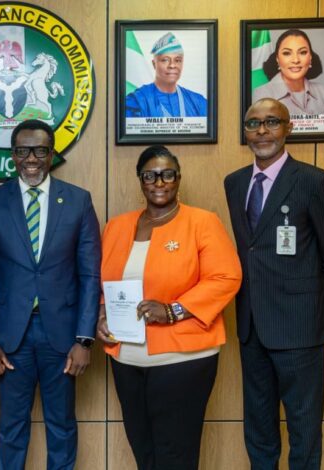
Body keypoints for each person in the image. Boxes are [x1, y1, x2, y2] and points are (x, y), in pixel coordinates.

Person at [224, 98, 324, 469]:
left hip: (299, 330)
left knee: (304, 431)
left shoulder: (313, 182)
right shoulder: (234, 183)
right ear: (245, 131)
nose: (262, 131)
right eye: (253, 124)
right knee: (258, 430)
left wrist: (310, 306)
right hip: (252, 328)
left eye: (272, 122)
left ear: (288, 128)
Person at [97, 145, 241, 470]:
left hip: (182, 360)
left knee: (175, 456)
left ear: (178, 178)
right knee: (143, 452)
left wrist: (174, 310)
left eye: (167, 174)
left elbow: (226, 277)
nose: (159, 182)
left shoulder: (202, 222)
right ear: (140, 180)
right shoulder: (117, 226)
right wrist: (102, 314)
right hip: (126, 359)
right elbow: (104, 282)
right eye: (150, 175)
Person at [0, 119, 101, 469]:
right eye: (23, 151)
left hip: (63, 335)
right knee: (12, 427)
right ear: (13, 155)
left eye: (40, 151)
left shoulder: (78, 201)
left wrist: (84, 339)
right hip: (10, 336)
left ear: (52, 154)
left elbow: (90, 275)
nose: (32, 159)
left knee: (62, 425)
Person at [125, 32, 207, 118]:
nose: (172, 65)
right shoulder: (137, 101)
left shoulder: (199, 102)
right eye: (165, 60)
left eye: (177, 60)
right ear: (154, 64)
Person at [252, 29, 324, 115]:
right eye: (287, 53)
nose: (296, 60)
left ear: (310, 58)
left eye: (302, 52)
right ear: (277, 59)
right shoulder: (262, 94)